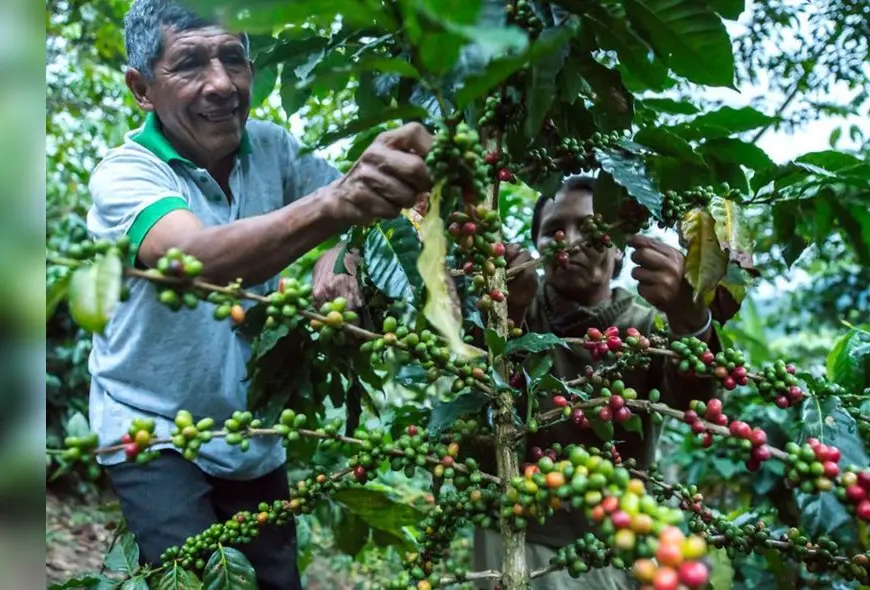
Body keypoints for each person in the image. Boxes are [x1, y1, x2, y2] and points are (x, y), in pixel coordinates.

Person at [84, 1, 433, 588]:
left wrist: (341, 262)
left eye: (233, 58)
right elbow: (193, 262)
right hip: (150, 427)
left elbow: (353, 224)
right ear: (142, 89)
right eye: (190, 63)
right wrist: (339, 203)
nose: (220, 83)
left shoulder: (271, 148)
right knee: (191, 576)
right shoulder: (126, 174)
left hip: (251, 433)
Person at [313, 176, 739, 588]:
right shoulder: (506, 307)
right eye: (554, 229)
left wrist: (690, 317)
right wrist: (506, 321)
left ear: (618, 254)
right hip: (509, 540)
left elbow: (694, 404)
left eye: (588, 227)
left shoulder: (646, 329)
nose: (569, 240)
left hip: (607, 551)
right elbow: (476, 397)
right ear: (535, 246)